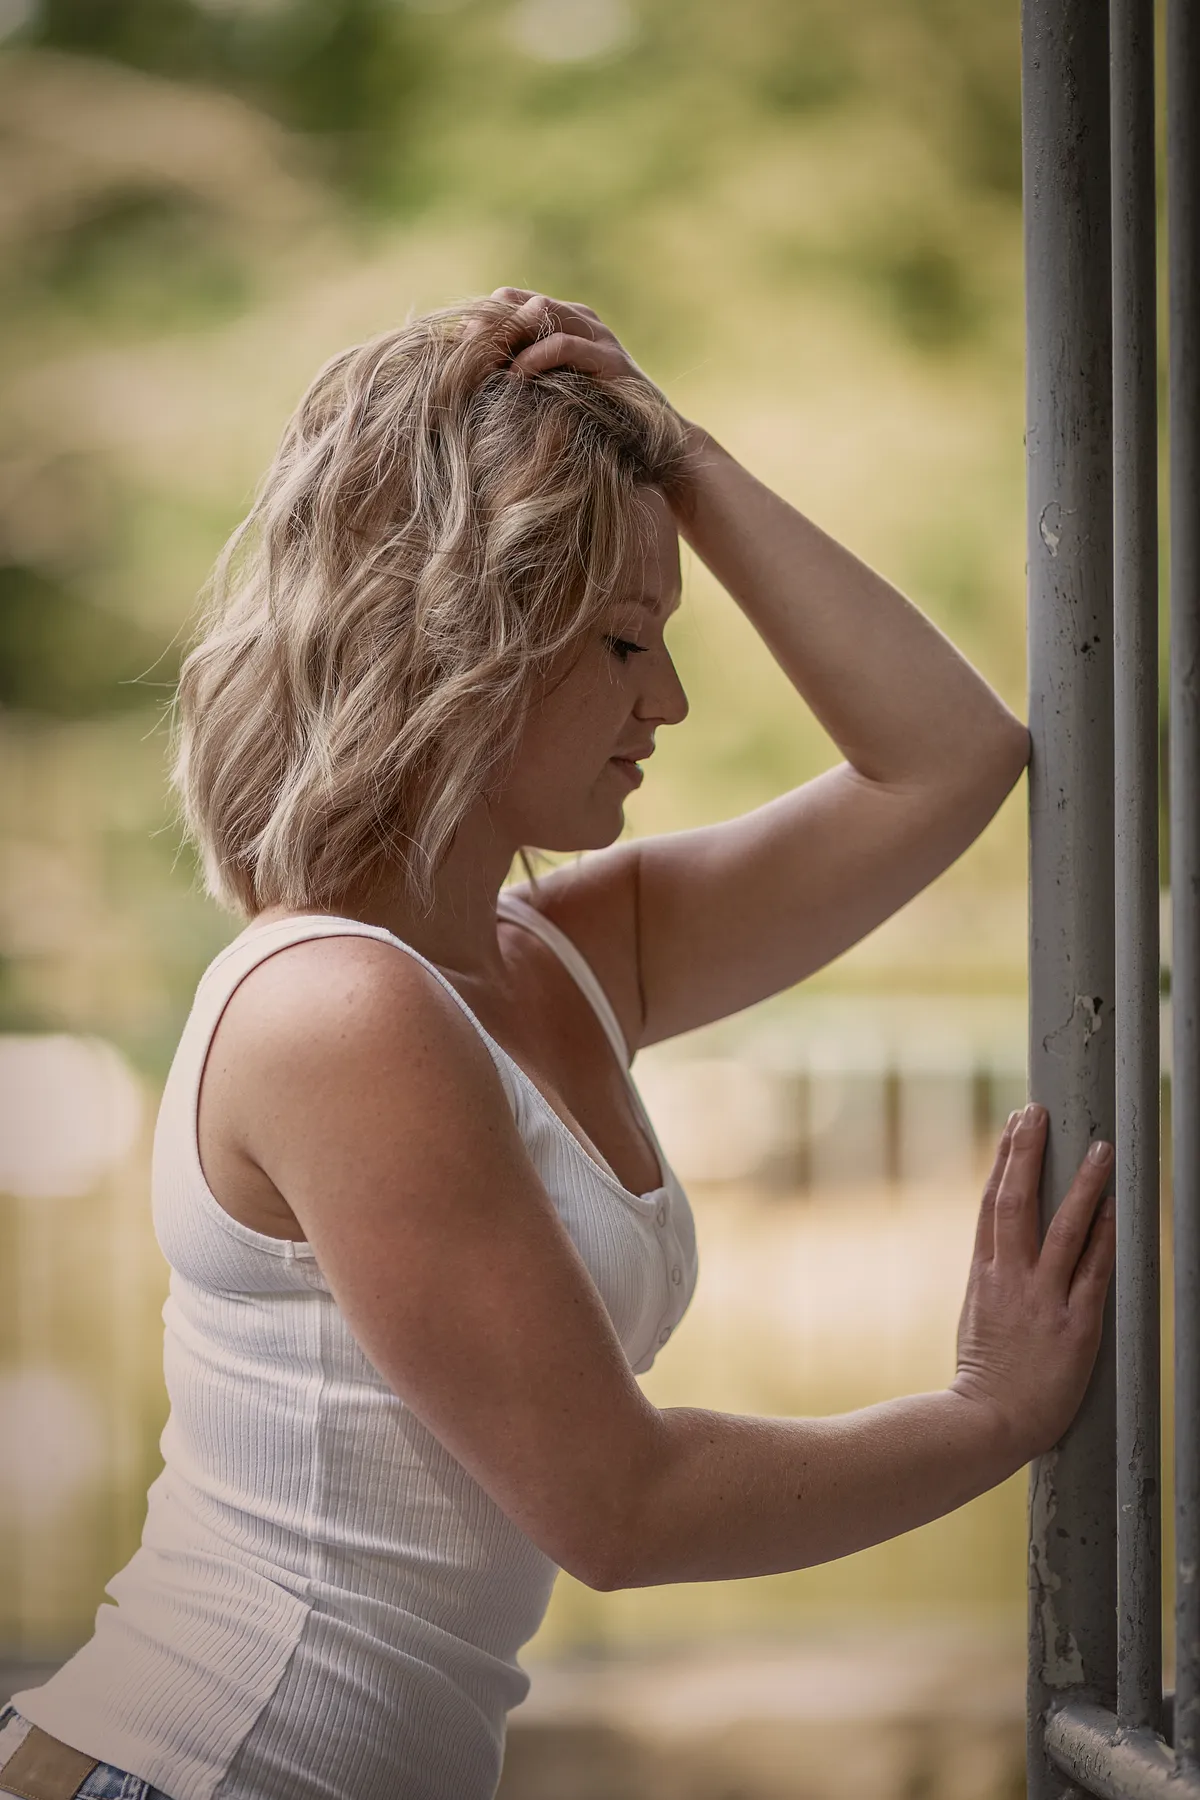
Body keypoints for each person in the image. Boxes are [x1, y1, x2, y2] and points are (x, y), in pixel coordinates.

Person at [1, 290, 1116, 1800]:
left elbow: (950, 756)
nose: (669, 699)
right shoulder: (342, 1010)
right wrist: (982, 1417)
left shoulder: (567, 960)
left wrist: (685, 458)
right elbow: (617, 1505)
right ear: (467, 631)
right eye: (622, 643)